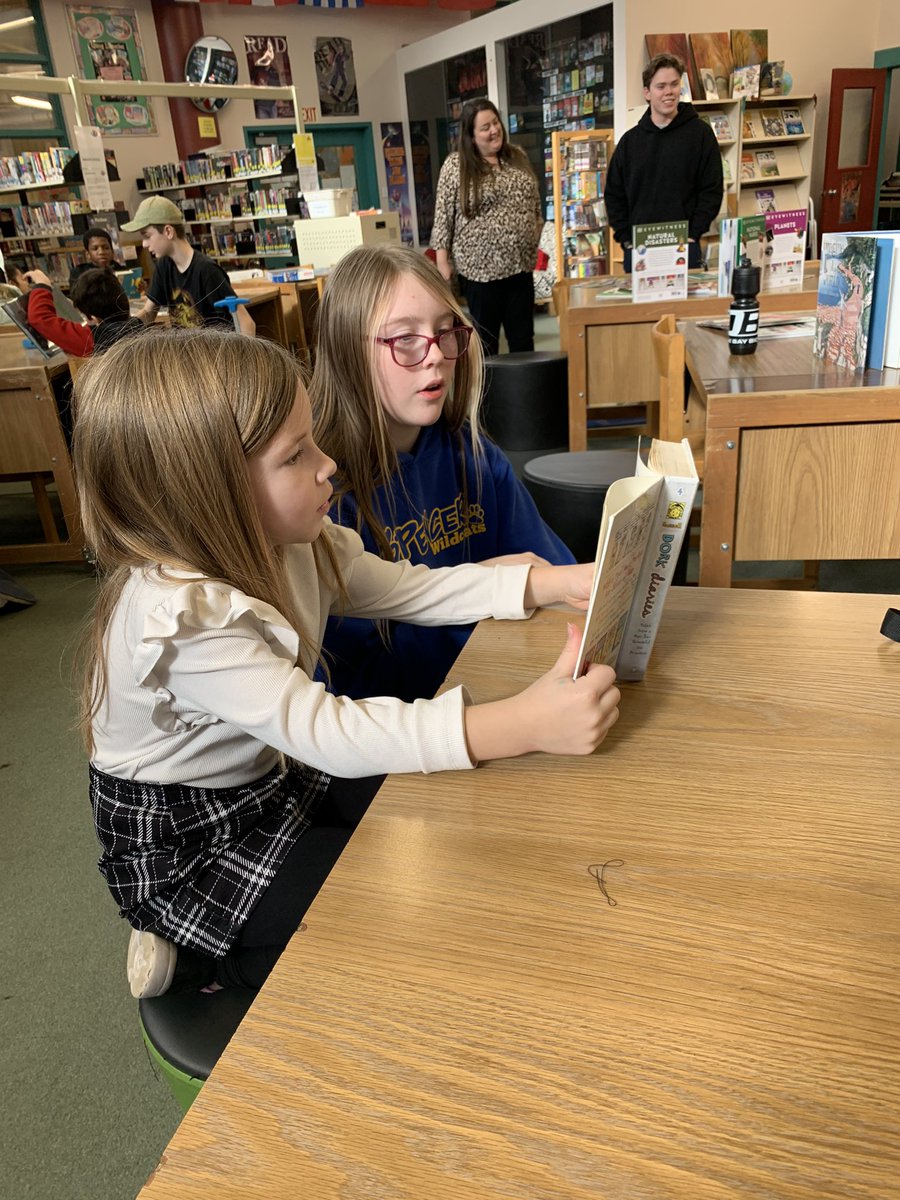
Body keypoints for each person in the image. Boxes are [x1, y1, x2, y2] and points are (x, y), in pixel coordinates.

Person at [73, 328, 620, 999]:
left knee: (438, 824)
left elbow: (405, 588)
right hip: (190, 844)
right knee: (396, 925)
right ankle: (202, 957)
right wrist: (526, 724)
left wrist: (549, 584)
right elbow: (330, 733)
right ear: (206, 490)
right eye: (296, 455)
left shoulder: (293, 536)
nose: (329, 464)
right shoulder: (182, 621)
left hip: (271, 777)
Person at [311, 243, 574, 703]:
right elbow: (354, 679)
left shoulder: (472, 454)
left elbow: (554, 573)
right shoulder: (321, 495)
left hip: (497, 687)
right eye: (404, 338)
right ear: (347, 352)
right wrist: (489, 587)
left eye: (445, 331)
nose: (435, 355)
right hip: (403, 737)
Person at [431, 98, 543, 358]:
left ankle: (523, 397)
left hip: (520, 267)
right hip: (480, 273)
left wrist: (535, 229)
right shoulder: (456, 166)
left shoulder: (517, 156)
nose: (494, 130)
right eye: (485, 127)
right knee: (486, 344)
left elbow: (534, 200)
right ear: (471, 136)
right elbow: (443, 215)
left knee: (523, 340)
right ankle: (488, 399)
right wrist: (442, 260)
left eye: (495, 123)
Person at [604, 54, 724, 273]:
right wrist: (626, 239)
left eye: (674, 84)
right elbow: (614, 194)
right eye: (661, 86)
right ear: (647, 93)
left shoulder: (701, 135)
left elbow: (712, 190)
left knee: (687, 309)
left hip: (685, 248)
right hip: (640, 250)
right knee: (642, 310)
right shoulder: (629, 143)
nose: (669, 92)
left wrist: (694, 233)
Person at [121, 195, 255, 335]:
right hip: (186, 353)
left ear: (168, 231)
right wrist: (122, 331)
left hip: (213, 352)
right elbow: (149, 313)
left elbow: (246, 323)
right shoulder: (163, 267)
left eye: (147, 235)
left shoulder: (207, 270)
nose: (144, 244)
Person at [4, 261, 140, 356]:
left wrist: (42, 286)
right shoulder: (137, 325)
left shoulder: (92, 338)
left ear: (92, 318)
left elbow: (40, 319)